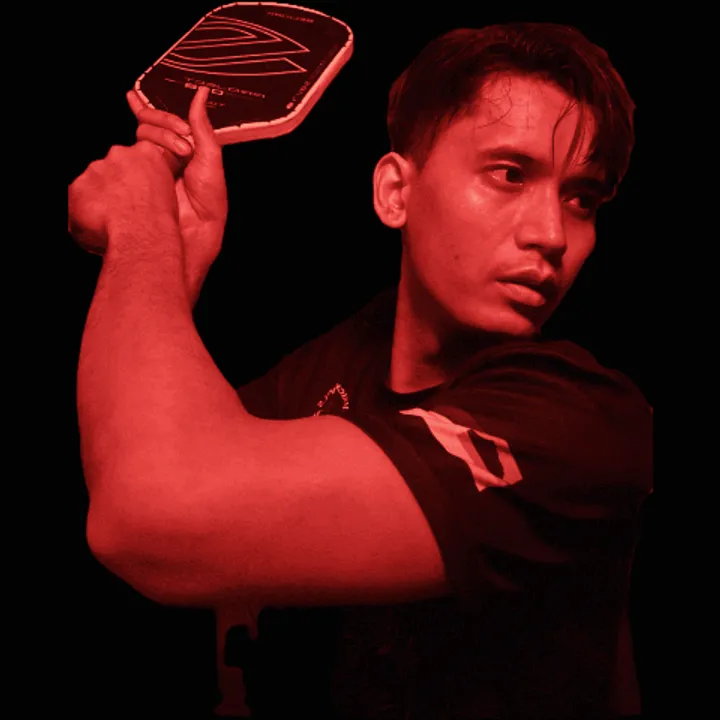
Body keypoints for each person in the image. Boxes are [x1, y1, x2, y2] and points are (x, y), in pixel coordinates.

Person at [69, 21, 652, 719]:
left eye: (581, 198)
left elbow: (149, 515)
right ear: (394, 192)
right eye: (510, 174)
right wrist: (175, 263)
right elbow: (129, 459)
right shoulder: (332, 369)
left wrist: (139, 229)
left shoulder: (579, 423)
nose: (552, 235)